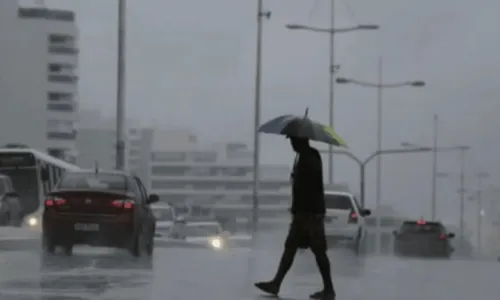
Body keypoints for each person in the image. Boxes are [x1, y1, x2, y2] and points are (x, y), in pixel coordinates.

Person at [254, 137, 335, 300]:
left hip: (310, 213)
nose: (291, 143)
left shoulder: (309, 158)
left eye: (293, 140)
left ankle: (329, 289)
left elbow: (308, 186)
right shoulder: (305, 157)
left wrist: (297, 178)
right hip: (304, 212)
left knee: (318, 251)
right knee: (290, 247)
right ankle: (276, 283)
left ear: (301, 141)